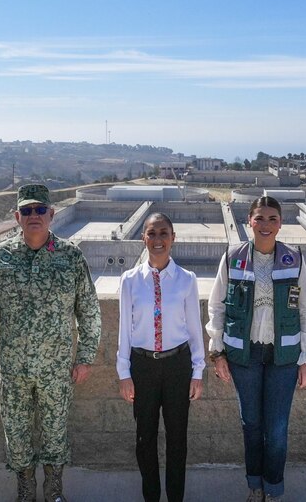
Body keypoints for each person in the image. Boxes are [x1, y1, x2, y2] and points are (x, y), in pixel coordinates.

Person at [0, 184, 102, 502]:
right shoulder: (0, 258)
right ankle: (26, 490)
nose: (34, 216)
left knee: (55, 434)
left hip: (56, 371)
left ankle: (53, 491)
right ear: (17, 217)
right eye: (26, 210)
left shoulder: (70, 257)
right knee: (17, 435)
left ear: (51, 214)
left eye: (40, 209)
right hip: (13, 371)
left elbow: (88, 311)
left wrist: (85, 357)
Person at [206, 196, 306, 502]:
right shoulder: (233, 257)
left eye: (272, 219)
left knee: (277, 429)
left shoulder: (293, 259)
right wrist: (217, 351)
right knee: (251, 425)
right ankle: (255, 487)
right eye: (259, 218)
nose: (265, 225)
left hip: (284, 358)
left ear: (280, 223)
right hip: (245, 356)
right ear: (249, 221)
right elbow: (217, 306)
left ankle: (274, 489)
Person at [117, 212, 205, 502]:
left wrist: (197, 371)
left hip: (177, 366)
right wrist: (124, 374)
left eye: (163, 233)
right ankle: (151, 496)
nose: (158, 239)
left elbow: (194, 329)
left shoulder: (186, 280)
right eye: (151, 233)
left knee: (177, 438)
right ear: (143, 238)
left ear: (173, 238)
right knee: (145, 438)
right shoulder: (129, 281)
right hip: (142, 367)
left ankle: (175, 497)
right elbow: (124, 330)